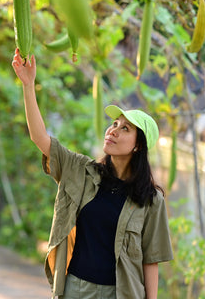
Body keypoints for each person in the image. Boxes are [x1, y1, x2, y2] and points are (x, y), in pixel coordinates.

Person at [11, 48, 173, 299]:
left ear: (139, 145)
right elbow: (39, 137)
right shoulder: (81, 171)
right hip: (75, 288)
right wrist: (28, 85)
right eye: (114, 124)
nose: (113, 130)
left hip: (120, 294)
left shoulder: (151, 200)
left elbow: (151, 261)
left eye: (125, 128)